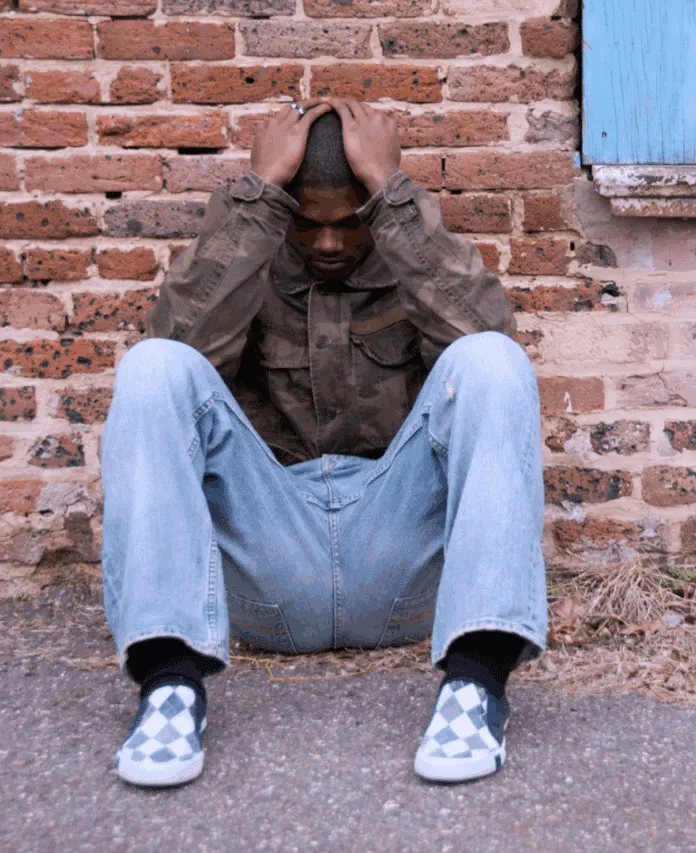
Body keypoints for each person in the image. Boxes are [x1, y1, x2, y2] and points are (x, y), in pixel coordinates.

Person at [99, 98, 548, 788]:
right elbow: (178, 358)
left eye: (347, 225)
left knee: (492, 360)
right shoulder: (249, 254)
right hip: (267, 564)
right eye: (309, 226)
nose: (330, 244)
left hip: (402, 563)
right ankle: (170, 687)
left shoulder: (411, 252)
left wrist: (393, 199)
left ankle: (477, 683)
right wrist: (257, 199)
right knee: (151, 367)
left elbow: (491, 348)